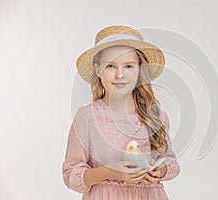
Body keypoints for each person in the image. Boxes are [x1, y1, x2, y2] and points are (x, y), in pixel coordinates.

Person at [62, 25, 180, 200]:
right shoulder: (88, 117)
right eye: (111, 66)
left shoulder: (157, 117)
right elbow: (71, 174)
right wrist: (111, 171)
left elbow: (171, 162)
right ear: (97, 69)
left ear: (140, 69)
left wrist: (159, 171)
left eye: (128, 66)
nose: (119, 75)